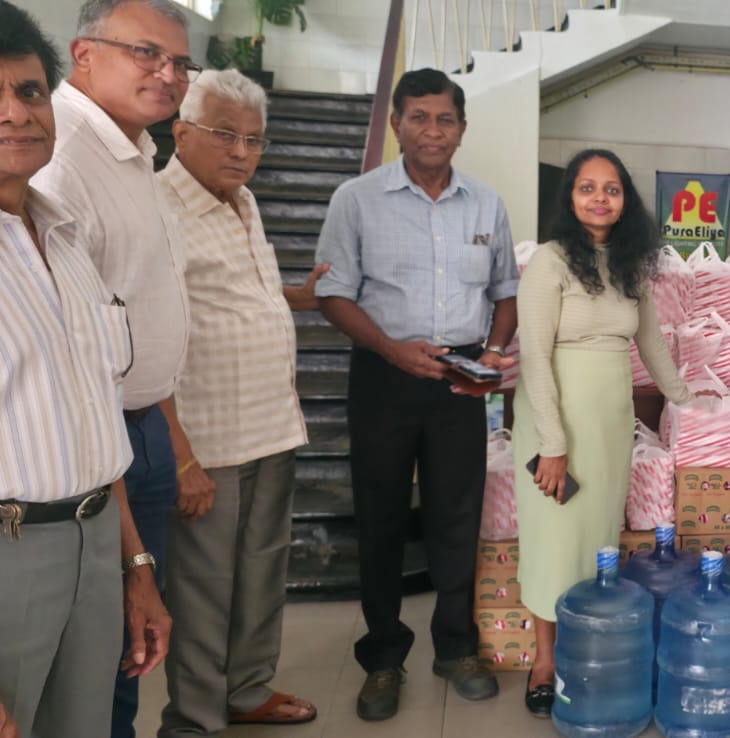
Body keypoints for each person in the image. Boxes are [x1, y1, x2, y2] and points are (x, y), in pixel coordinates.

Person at [0, 1, 171, 735]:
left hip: (95, 545)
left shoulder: (60, 234)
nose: (15, 112)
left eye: (30, 90)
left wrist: (135, 566)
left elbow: (92, 412)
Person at [315, 68, 518, 721]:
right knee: (379, 515)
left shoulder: (485, 203)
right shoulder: (357, 199)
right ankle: (382, 657)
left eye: (445, 119)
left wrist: (492, 351)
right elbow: (332, 294)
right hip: (384, 372)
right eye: (420, 118)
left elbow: (506, 291)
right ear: (398, 124)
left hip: (460, 376)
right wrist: (389, 348)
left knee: (457, 513)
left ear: (462, 128)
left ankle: (456, 648)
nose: (433, 131)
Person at [27, 1, 190, 734]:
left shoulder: (134, 149)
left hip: (141, 425)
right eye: (147, 53)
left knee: (130, 648)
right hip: (97, 441)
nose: (169, 74)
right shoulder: (62, 156)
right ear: (84, 53)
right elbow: (69, 351)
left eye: (180, 62)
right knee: (105, 651)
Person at [155, 69, 331, 735]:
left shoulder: (243, 199)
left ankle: (247, 688)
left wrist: (291, 299)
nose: (241, 151)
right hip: (209, 440)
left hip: (270, 425)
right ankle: (196, 717)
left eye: (254, 140)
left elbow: (229, 294)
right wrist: (181, 458)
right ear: (181, 133)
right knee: (204, 589)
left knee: (262, 574)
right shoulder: (160, 210)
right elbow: (146, 339)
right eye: (224, 134)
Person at [513, 148, 699, 718]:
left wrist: (690, 401)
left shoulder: (629, 265)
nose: (600, 198)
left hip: (610, 424)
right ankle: (544, 660)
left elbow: (651, 342)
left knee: (595, 541)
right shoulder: (548, 262)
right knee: (554, 542)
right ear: (570, 197)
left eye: (611, 189)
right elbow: (534, 358)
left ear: (625, 201)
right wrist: (553, 445)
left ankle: (583, 646)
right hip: (555, 424)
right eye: (587, 188)